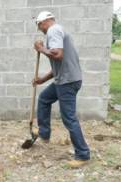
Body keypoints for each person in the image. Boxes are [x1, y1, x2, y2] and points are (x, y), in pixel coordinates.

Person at [33, 11, 90, 168]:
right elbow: (59, 64)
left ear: (43, 22)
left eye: (39, 27)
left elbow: (57, 55)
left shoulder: (53, 30)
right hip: (64, 80)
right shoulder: (58, 31)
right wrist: (42, 80)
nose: (41, 30)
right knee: (44, 98)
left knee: (69, 118)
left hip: (67, 82)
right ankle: (44, 132)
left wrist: (40, 49)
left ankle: (83, 154)